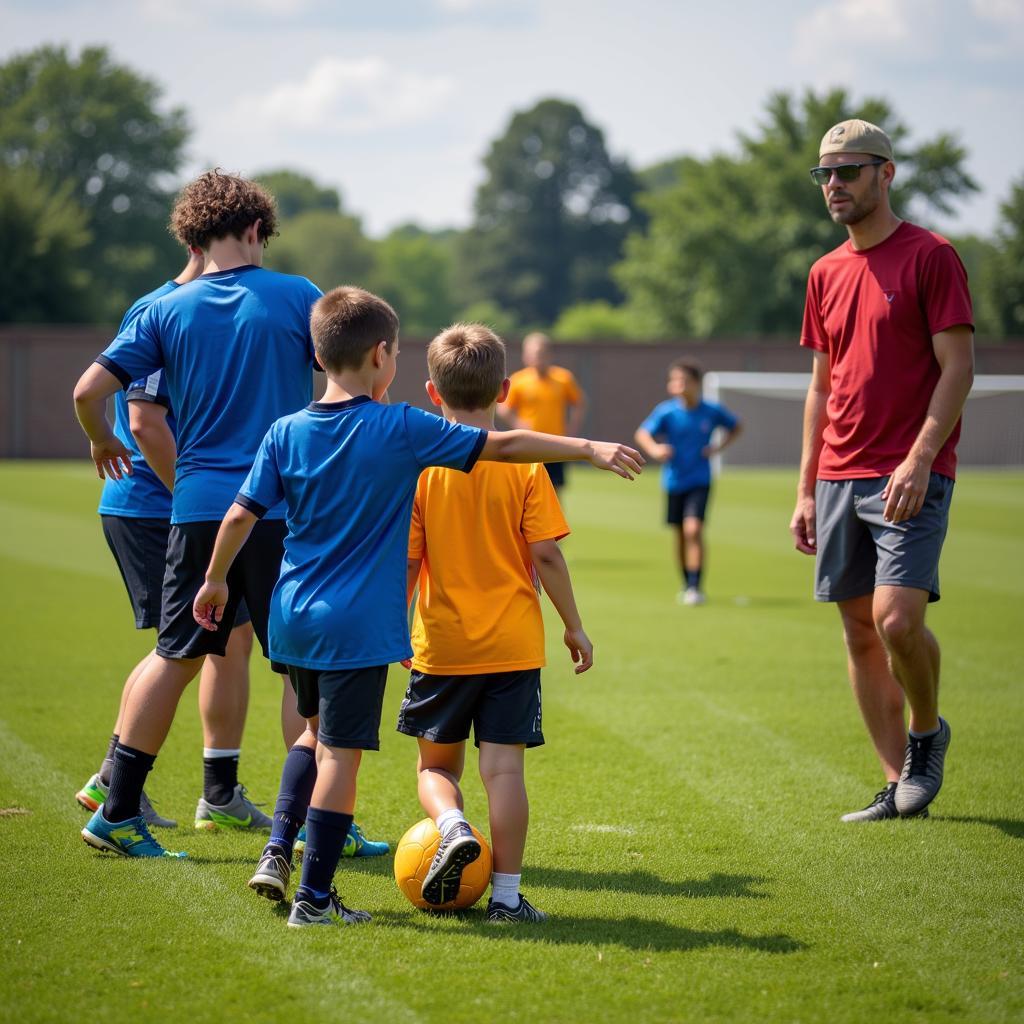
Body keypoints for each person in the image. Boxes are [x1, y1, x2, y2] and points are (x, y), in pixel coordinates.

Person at [194, 291, 642, 928]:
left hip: (314, 616)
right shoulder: (402, 431)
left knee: (319, 737)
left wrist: (214, 580)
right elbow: (507, 459)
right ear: (382, 356)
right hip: (423, 632)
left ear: (316, 355)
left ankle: (285, 850)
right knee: (363, 759)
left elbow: (244, 514)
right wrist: (587, 449)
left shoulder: (291, 432)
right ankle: (341, 899)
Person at [72, 171, 384, 859]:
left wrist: (100, 438)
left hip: (196, 510)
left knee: (176, 653)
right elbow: (346, 375)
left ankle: (116, 809)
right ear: (253, 230)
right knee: (302, 662)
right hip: (276, 509)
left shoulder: (163, 309)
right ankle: (315, 817)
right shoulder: (295, 295)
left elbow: (89, 390)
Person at [790, 119, 974, 823]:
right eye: (825, 174)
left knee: (897, 621)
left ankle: (927, 736)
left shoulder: (933, 256)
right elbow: (821, 385)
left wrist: (922, 457)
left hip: (910, 473)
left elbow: (958, 367)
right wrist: (805, 489)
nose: (834, 185)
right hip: (838, 475)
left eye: (848, 171)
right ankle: (899, 784)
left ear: (886, 173)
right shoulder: (824, 272)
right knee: (859, 633)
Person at [397, 323, 592, 924]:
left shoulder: (421, 468)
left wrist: (394, 627)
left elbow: (406, 560)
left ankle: (452, 824)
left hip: (442, 645)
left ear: (433, 392)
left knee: (436, 768)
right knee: (504, 769)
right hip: (513, 644)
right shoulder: (526, 464)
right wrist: (573, 626)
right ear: (505, 389)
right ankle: (506, 897)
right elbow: (548, 555)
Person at [76, 249, 259, 830]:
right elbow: (141, 421)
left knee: (224, 642)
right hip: (158, 508)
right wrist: (196, 495)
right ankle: (115, 785)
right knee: (181, 649)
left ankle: (216, 793)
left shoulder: (206, 307)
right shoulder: (162, 307)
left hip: (179, 506)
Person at [634, 359, 741, 605]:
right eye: (674, 380)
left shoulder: (711, 411)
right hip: (673, 481)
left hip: (700, 479)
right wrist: (655, 449)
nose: (677, 385)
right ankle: (686, 582)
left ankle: (695, 586)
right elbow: (642, 433)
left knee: (694, 529)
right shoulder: (667, 411)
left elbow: (736, 426)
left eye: (682, 380)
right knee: (680, 534)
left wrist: (718, 448)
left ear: (696, 383)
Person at [498, 332, 587, 492]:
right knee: (524, 489)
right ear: (525, 356)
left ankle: (553, 518)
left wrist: (572, 428)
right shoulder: (519, 380)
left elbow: (579, 403)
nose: (538, 358)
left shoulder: (563, 378)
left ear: (550, 354)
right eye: (533, 354)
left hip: (555, 444)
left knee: (554, 490)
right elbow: (503, 409)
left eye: (542, 354)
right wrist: (519, 423)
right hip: (528, 444)